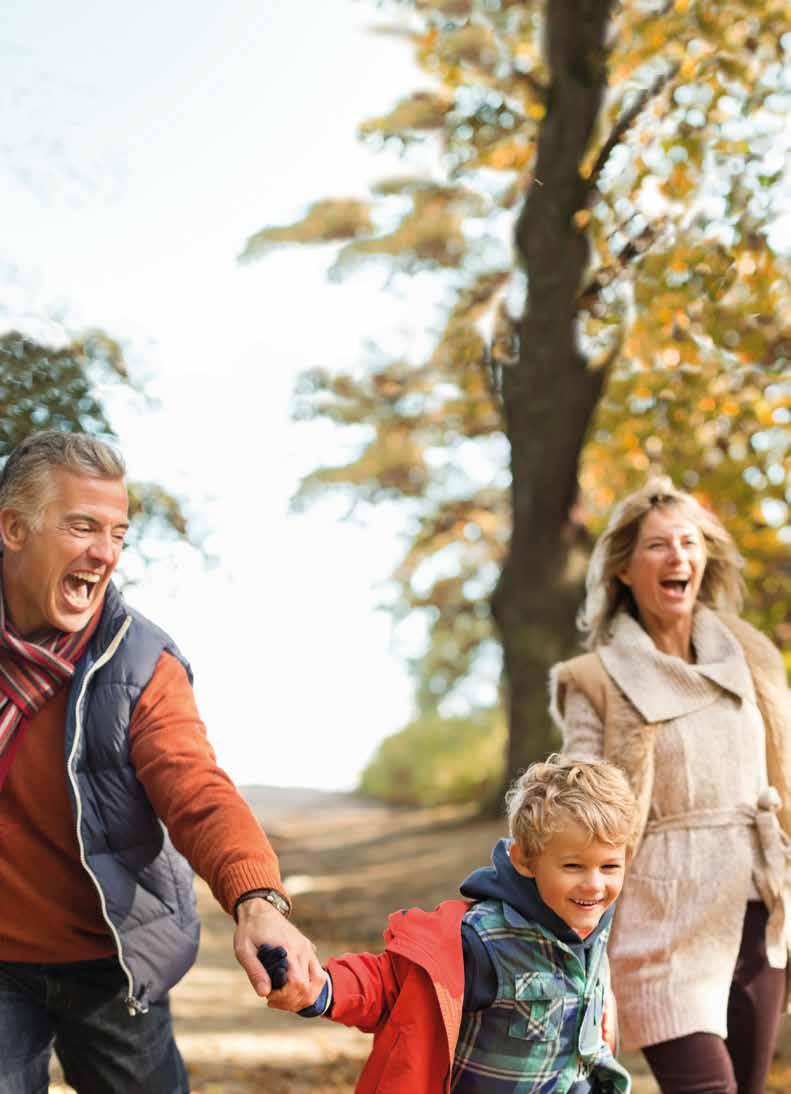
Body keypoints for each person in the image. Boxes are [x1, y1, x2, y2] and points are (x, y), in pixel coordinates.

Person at [0, 430, 321, 1093]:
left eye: (117, 533)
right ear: (13, 528)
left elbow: (196, 789)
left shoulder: (140, 662)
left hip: (111, 957)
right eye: (82, 526)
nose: (104, 553)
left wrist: (257, 903)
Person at [549, 476, 791, 1094]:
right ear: (624, 569)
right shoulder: (595, 679)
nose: (676, 556)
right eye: (657, 545)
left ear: (704, 557)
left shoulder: (752, 655)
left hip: (757, 916)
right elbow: (576, 813)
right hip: (659, 928)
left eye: (687, 542)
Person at [264, 753, 636, 1093]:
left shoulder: (593, 927)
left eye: (610, 867)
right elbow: (389, 984)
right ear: (525, 860)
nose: (594, 884)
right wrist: (323, 988)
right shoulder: (482, 941)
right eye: (573, 866)